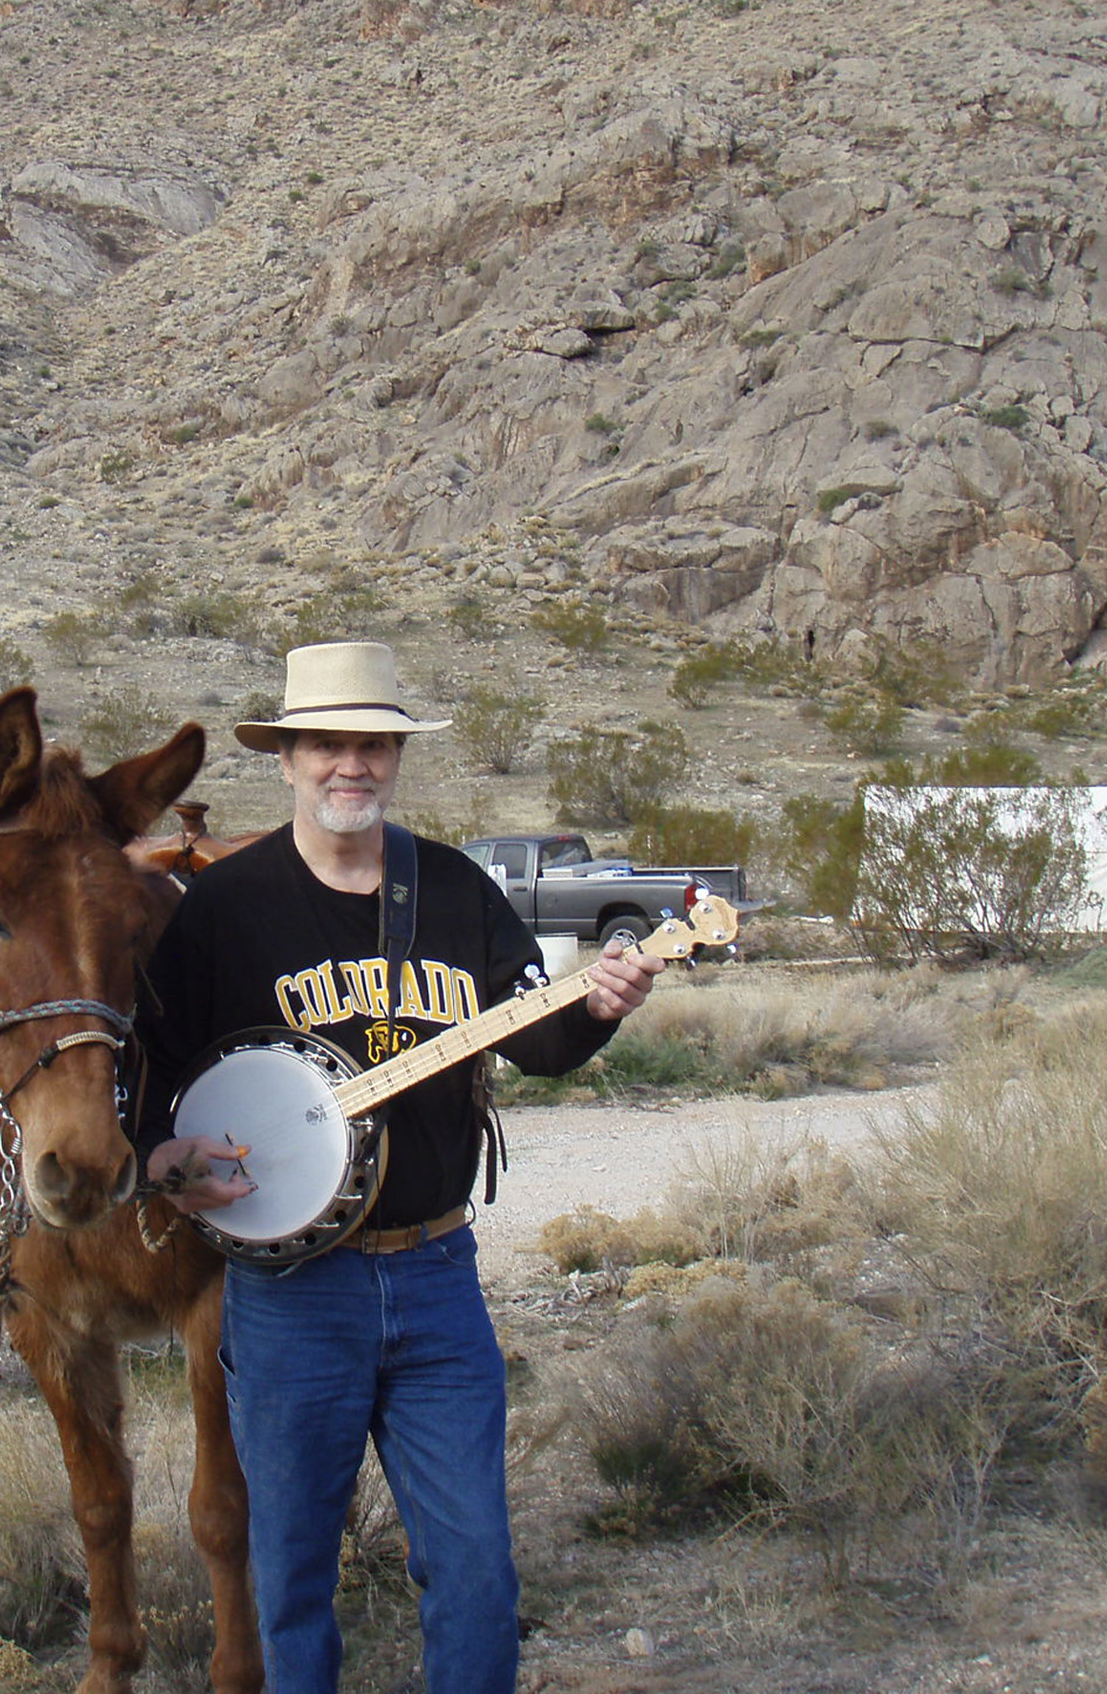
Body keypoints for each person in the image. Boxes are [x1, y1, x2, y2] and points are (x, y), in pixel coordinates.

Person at [138, 640, 664, 1694]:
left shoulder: (456, 890)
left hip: (436, 1281)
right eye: (329, 744)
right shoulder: (224, 911)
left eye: (374, 745)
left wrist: (601, 1006)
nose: (353, 765)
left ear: (395, 760)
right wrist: (168, 1157)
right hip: (290, 1300)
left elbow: (541, 1041)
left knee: (474, 1571)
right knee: (290, 1579)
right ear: (287, 759)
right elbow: (149, 1079)